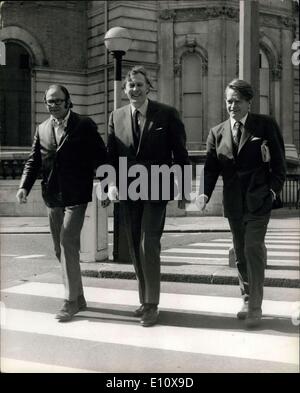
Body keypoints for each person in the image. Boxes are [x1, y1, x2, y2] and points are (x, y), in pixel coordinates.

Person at [196, 79, 286, 328]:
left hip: (259, 200)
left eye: (237, 101)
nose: (232, 106)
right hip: (234, 203)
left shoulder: (264, 126)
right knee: (240, 253)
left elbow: (279, 164)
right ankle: (246, 299)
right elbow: (211, 168)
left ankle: (255, 307)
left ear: (248, 102)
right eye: (228, 101)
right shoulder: (217, 132)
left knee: (252, 249)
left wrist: (272, 191)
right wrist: (203, 194)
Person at [106, 65, 190, 327]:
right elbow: (111, 155)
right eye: (131, 85)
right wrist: (109, 184)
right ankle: (144, 300)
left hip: (157, 188)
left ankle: (152, 304)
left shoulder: (167, 114)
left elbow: (181, 154)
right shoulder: (116, 116)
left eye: (140, 85)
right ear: (125, 89)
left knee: (148, 243)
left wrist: (184, 192)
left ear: (148, 87)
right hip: (129, 190)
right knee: (133, 244)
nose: (135, 89)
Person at [16, 84, 107, 322]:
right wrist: (24, 187)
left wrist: (107, 186)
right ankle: (79, 296)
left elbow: (100, 156)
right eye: (50, 102)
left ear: (68, 102)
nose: (54, 105)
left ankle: (69, 302)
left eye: (58, 101)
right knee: (60, 249)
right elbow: (33, 161)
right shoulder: (42, 129)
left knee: (67, 242)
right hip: (52, 196)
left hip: (76, 196)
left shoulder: (84, 124)